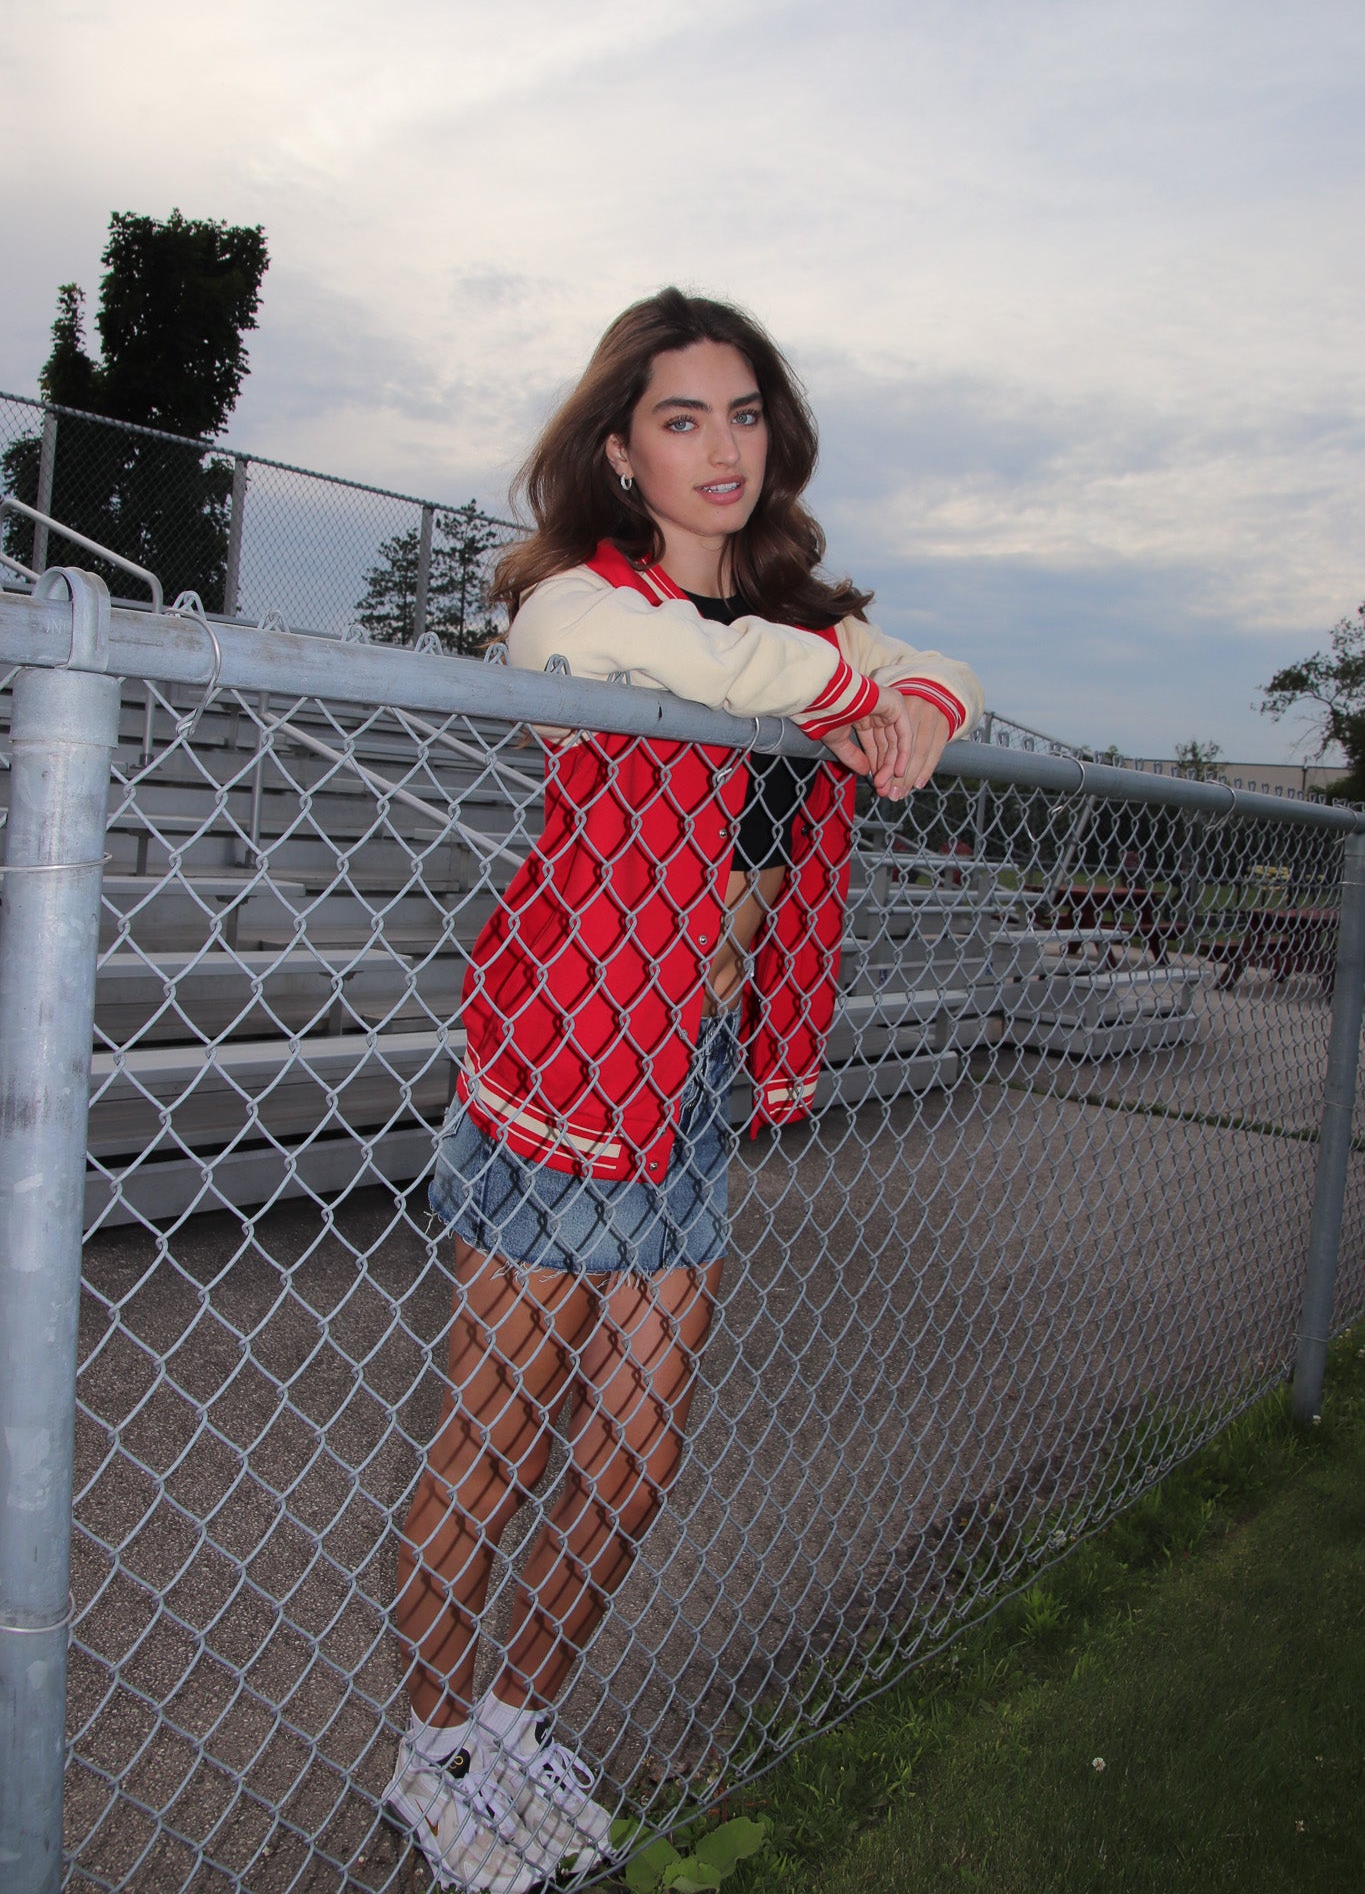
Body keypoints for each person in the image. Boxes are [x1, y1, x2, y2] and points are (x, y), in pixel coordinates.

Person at [386, 290, 984, 1891]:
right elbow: (640, 656)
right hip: (568, 1067)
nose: (722, 447)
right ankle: (432, 1752)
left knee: (634, 1459)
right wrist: (848, 693)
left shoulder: (799, 620)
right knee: (496, 1442)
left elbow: (929, 668)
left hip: (690, 1082)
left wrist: (907, 694)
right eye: (680, 418)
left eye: (743, 415)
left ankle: (514, 1725)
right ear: (619, 450)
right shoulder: (591, 599)